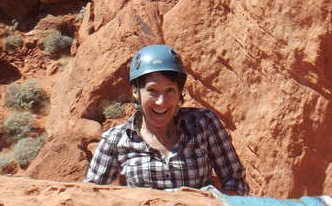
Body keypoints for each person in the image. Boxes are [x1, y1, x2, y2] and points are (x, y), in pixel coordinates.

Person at [84, 44, 249, 195]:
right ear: (135, 91)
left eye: (170, 90)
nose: (161, 101)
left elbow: (235, 180)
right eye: (152, 90)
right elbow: (90, 195)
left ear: (180, 92)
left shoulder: (203, 124)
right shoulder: (116, 140)